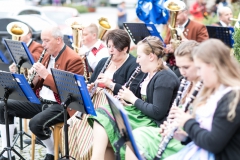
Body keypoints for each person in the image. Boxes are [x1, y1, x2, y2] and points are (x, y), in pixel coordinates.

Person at [88, 36, 180, 160]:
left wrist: (132, 99)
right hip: (144, 117)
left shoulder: (164, 77)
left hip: (154, 123)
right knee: (103, 112)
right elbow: (147, 102)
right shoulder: (149, 72)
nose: (137, 61)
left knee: (104, 115)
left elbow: (158, 112)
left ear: (151, 56)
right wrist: (129, 104)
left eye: (139, 56)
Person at [0, 26, 84, 160]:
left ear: (58, 40)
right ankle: (7, 153)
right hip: (41, 101)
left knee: (35, 124)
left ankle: (52, 150)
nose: (42, 44)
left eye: (46, 40)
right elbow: (34, 86)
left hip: (61, 105)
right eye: (42, 40)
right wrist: (32, 78)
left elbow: (69, 93)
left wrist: (46, 75)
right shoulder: (46, 55)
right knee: (3, 106)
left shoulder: (73, 59)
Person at [65, 28, 144, 160]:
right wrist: (90, 87)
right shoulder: (103, 62)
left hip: (112, 108)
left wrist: (110, 84)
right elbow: (91, 82)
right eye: (109, 46)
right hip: (95, 105)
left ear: (125, 49)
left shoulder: (134, 65)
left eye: (114, 47)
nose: (110, 50)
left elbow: (132, 93)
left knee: (91, 137)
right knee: (71, 126)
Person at [164, 39, 240, 160]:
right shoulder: (216, 91)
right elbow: (209, 136)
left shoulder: (232, 97)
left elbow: (214, 144)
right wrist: (183, 137)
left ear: (213, 66)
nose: (199, 74)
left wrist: (187, 122)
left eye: (199, 68)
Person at [125, 40, 201, 160]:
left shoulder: (205, 89)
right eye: (179, 67)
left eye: (185, 67)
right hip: (177, 133)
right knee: (135, 137)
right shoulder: (186, 83)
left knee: (138, 137)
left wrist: (181, 132)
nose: (181, 72)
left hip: (189, 141)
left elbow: (158, 111)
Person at [164, 6, 209, 77]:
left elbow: (205, 48)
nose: (174, 17)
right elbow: (165, 44)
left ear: (185, 13)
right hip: (172, 63)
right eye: (171, 14)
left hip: (189, 64)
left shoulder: (199, 27)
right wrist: (169, 48)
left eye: (176, 14)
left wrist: (189, 44)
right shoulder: (171, 27)